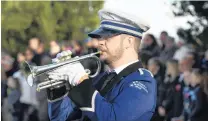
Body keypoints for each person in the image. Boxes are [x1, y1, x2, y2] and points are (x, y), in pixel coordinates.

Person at [46, 1, 157, 121]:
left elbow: (113, 118)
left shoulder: (142, 81)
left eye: (108, 37)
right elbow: (60, 117)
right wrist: (58, 86)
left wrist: (81, 80)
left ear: (128, 42)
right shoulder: (102, 78)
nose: (100, 42)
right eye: (100, 37)